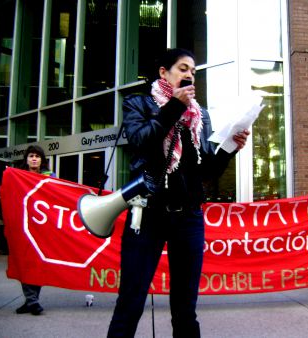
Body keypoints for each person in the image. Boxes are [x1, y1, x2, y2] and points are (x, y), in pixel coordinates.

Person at [107, 48, 250, 338]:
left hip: (188, 218)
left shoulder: (200, 116)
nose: (189, 75)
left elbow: (206, 171)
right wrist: (173, 106)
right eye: (183, 68)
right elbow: (141, 141)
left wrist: (230, 147)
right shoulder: (139, 104)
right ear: (164, 72)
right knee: (131, 301)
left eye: (193, 72)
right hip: (146, 215)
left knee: (185, 307)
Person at [15, 145, 55, 315]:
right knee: (25, 263)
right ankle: (32, 301)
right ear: (26, 159)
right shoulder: (18, 176)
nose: (34, 159)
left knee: (37, 264)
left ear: (42, 160)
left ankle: (32, 300)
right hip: (23, 225)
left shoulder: (50, 177)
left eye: (37, 156)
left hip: (41, 227)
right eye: (31, 156)